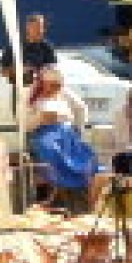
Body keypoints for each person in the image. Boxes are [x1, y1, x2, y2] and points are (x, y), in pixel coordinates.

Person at [26, 69, 97, 213]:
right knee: (52, 151)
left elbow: (81, 108)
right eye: (52, 86)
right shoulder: (30, 96)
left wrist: (78, 129)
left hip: (66, 133)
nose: (56, 89)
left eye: (58, 86)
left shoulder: (64, 93)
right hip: (43, 134)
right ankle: (61, 193)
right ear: (43, 84)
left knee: (85, 154)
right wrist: (40, 119)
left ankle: (77, 196)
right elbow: (25, 125)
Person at [0, 13, 57, 83]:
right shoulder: (15, 46)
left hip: (40, 87)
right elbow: (2, 71)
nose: (41, 31)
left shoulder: (46, 47)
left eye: (42, 28)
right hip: (20, 87)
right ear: (28, 27)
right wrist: (19, 70)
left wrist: (41, 72)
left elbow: (53, 68)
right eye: (37, 28)